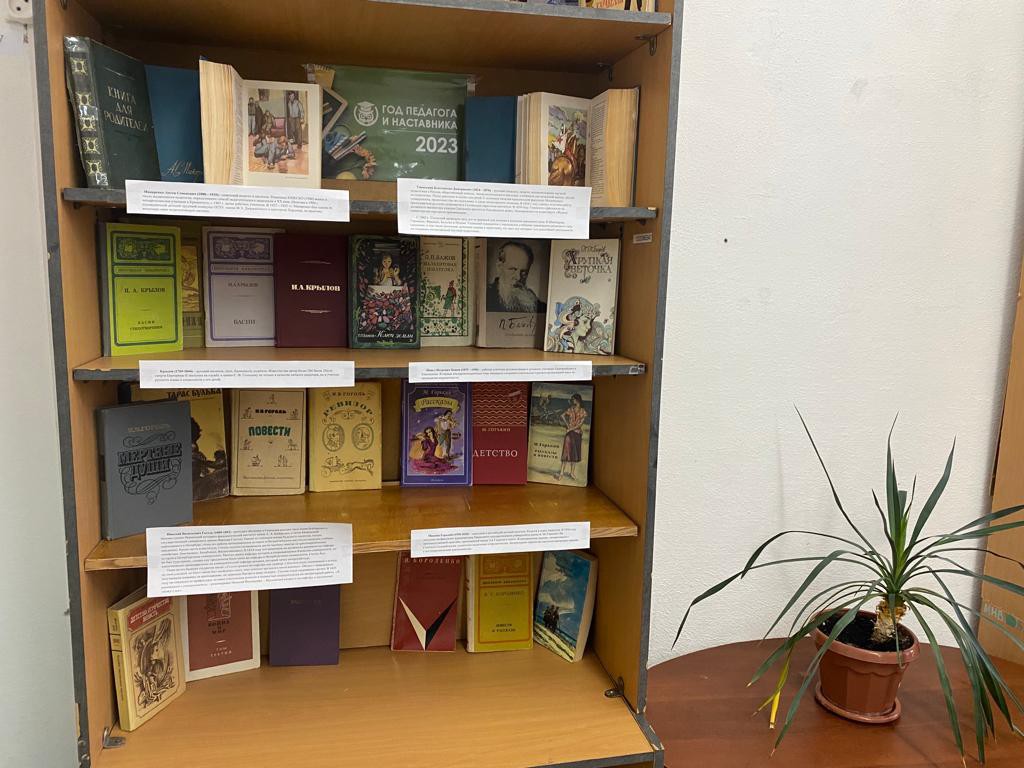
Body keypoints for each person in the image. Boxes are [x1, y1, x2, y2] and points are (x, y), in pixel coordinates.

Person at [486, 241, 546, 313]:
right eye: (512, 269)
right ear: (499, 267)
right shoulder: (485, 297)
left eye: (524, 272)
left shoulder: (537, 305)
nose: (518, 277)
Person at [556, 393, 587, 482]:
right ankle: (561, 473)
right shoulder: (571, 409)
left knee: (575, 454)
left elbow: (580, 424)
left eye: (573, 399)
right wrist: (567, 425)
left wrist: (570, 428)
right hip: (570, 434)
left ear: (577, 400)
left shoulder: (583, 411)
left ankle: (572, 473)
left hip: (577, 434)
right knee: (566, 452)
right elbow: (562, 415)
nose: (572, 401)